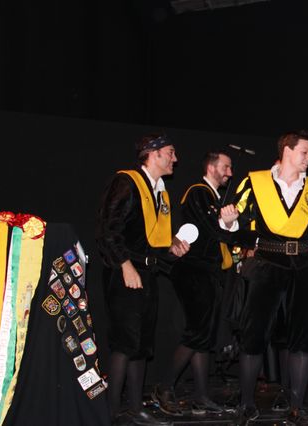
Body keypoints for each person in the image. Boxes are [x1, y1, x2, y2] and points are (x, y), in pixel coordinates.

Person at [219, 130, 308, 426]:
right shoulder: (254, 183)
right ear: (287, 151)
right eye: (305, 152)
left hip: (304, 265)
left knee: (302, 338)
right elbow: (234, 224)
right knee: (254, 335)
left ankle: (296, 407)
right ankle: (246, 404)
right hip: (266, 264)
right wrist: (229, 221)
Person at [96, 133, 190, 426]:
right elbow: (108, 229)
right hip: (125, 272)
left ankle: (135, 408)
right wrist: (125, 264)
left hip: (148, 273)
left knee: (141, 344)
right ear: (153, 153)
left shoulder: (160, 191)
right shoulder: (126, 182)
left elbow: (150, 238)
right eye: (171, 152)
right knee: (125, 343)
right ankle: (111, 412)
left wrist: (172, 245)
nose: (175, 159)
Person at [152, 150, 238, 416]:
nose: (230, 173)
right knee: (198, 331)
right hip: (193, 272)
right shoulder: (198, 192)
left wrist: (227, 225)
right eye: (226, 167)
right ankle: (164, 386)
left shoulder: (211, 196)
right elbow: (212, 228)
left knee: (204, 334)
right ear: (211, 167)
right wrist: (229, 224)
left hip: (206, 272)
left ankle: (200, 396)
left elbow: (216, 231)